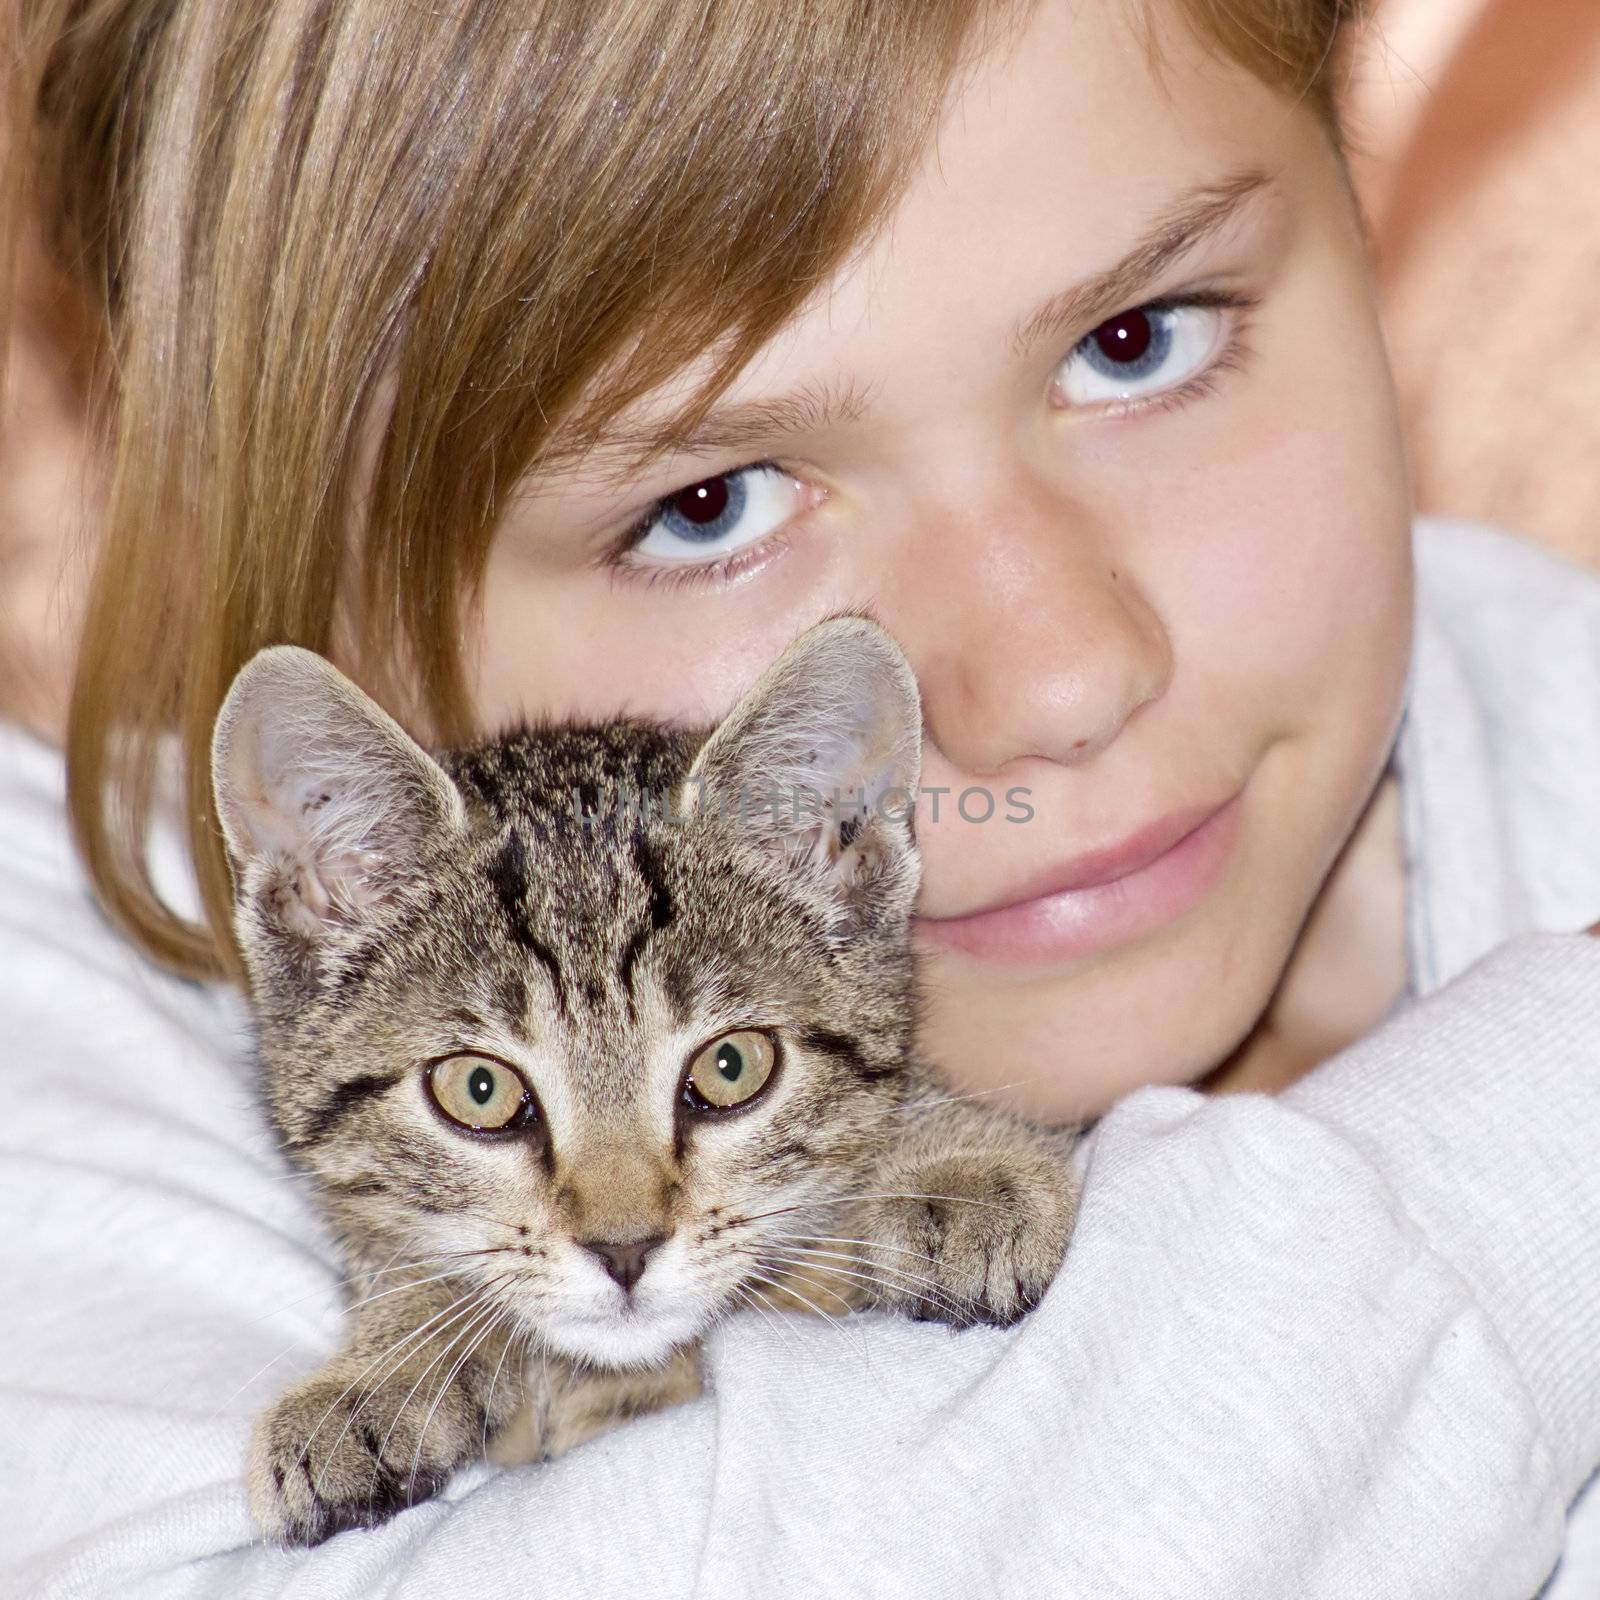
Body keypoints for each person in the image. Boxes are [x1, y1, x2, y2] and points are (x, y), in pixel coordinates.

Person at [4, 0, 1600, 1593]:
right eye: (708, 502)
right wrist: (1534, 1151)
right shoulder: (63, 1010)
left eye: (1139, 337)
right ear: (305, 588)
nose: (1057, 679)